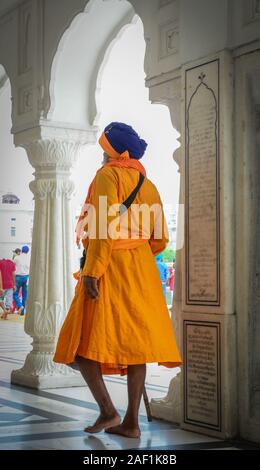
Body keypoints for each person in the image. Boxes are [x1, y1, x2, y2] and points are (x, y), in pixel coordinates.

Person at [54, 122, 182, 439]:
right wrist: (135, 247)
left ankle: (108, 411)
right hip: (143, 271)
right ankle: (131, 423)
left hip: (110, 267)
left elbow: (102, 227)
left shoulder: (107, 176)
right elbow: (160, 238)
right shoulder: (147, 184)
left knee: (81, 344)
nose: (102, 156)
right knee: (136, 347)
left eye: (104, 150)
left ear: (112, 151)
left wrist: (92, 272)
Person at [13, 245, 30, 316]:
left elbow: (13, 267)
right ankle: (22, 312)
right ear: (28, 251)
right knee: (24, 295)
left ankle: (20, 306)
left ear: (21, 250)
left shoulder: (17, 257)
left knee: (15, 294)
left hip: (18, 277)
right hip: (26, 277)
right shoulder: (29, 258)